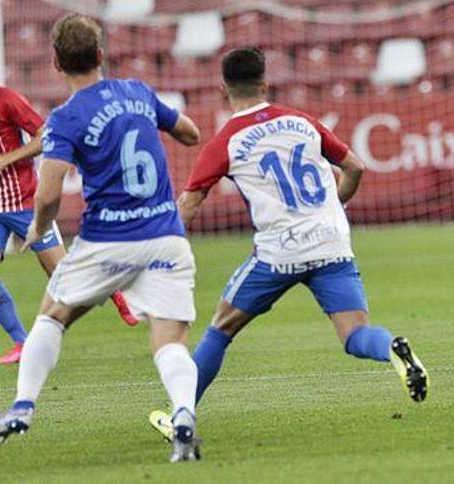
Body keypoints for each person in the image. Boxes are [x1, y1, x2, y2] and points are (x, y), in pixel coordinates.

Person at [149, 47, 426, 437]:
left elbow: (190, 203)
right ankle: (391, 348)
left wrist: (163, 253)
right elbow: (356, 167)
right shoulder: (302, 121)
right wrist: (334, 204)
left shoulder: (226, 140)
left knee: (220, 329)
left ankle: (182, 415)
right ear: (265, 82)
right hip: (332, 242)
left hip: (279, 252)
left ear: (224, 89)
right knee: (354, 333)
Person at [0, 14, 205, 462]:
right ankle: (182, 415)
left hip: (107, 240)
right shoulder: (137, 92)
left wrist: (38, 230)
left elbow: (48, 192)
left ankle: (23, 405)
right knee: (170, 340)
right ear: (101, 55)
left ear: (56, 64)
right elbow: (190, 133)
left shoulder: (66, 119)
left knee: (53, 314)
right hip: (165, 236)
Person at [0, 35, 136, 366]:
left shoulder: (6, 101)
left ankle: (115, 292)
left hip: (25, 203)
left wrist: (7, 158)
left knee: (63, 277)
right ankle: (22, 342)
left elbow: (46, 136)